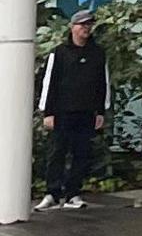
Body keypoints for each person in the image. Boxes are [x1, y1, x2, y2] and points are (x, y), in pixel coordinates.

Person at [34, 11, 111, 209]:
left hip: (86, 112)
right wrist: (47, 112)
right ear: (72, 27)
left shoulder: (98, 53)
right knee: (57, 152)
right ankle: (52, 193)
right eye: (82, 25)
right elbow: (49, 82)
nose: (86, 29)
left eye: (89, 25)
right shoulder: (59, 53)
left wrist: (101, 111)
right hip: (62, 112)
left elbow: (103, 83)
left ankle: (73, 193)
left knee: (82, 154)